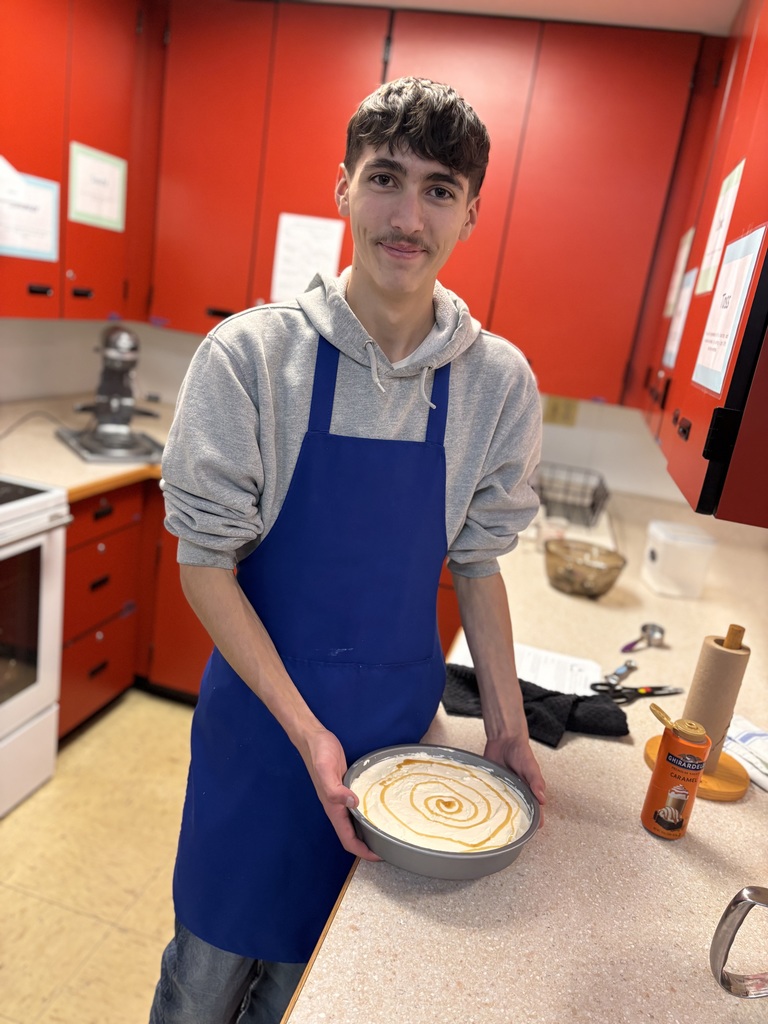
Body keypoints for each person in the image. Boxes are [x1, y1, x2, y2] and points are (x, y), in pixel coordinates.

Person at [149, 76, 547, 1024]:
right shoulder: (251, 358)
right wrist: (303, 728)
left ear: (471, 211)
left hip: (394, 753)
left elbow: (478, 562)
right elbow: (203, 560)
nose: (408, 216)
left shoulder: (497, 383)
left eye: (440, 189)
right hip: (258, 735)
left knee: (317, 990)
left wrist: (507, 725)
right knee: (206, 980)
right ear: (343, 189)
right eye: (386, 178)